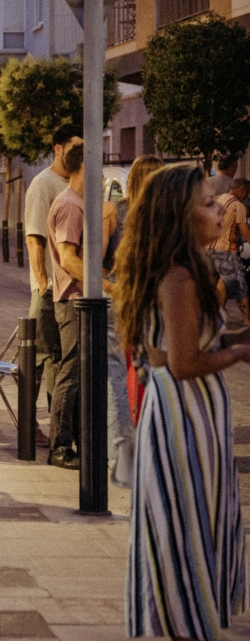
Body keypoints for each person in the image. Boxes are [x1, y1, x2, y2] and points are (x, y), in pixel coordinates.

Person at [114, 163, 250, 641]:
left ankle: (186, 619)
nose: (221, 211)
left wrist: (233, 339)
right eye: (208, 204)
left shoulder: (179, 270)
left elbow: (177, 347)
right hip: (185, 417)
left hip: (184, 413)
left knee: (187, 523)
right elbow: (184, 362)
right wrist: (239, 352)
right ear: (181, 215)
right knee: (187, 525)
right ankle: (187, 623)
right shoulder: (179, 277)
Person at [103, 154, 164, 486]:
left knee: (117, 371)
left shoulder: (116, 212)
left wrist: (111, 287)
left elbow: (97, 261)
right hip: (155, 302)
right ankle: (154, 446)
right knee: (153, 370)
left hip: (121, 299)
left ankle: (122, 454)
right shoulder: (167, 217)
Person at [24, 123, 82, 415]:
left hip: (68, 289)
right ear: (58, 149)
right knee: (39, 355)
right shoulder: (43, 183)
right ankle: (29, 424)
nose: (81, 154)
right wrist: (42, 284)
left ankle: (58, 422)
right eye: (76, 147)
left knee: (58, 359)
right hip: (48, 288)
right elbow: (34, 239)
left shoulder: (79, 182)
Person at [44, 143, 92, 469]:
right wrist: (106, 286)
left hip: (77, 299)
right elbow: (69, 259)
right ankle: (59, 447)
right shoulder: (71, 205)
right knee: (71, 372)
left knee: (78, 372)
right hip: (74, 300)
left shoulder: (77, 202)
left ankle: (75, 440)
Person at [206, 177, 250, 323]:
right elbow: (245, 231)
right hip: (226, 251)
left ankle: (215, 319)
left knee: (220, 285)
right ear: (242, 189)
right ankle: (247, 320)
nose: (247, 196)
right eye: (247, 192)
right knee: (240, 286)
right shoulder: (238, 206)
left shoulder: (216, 200)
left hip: (207, 249)